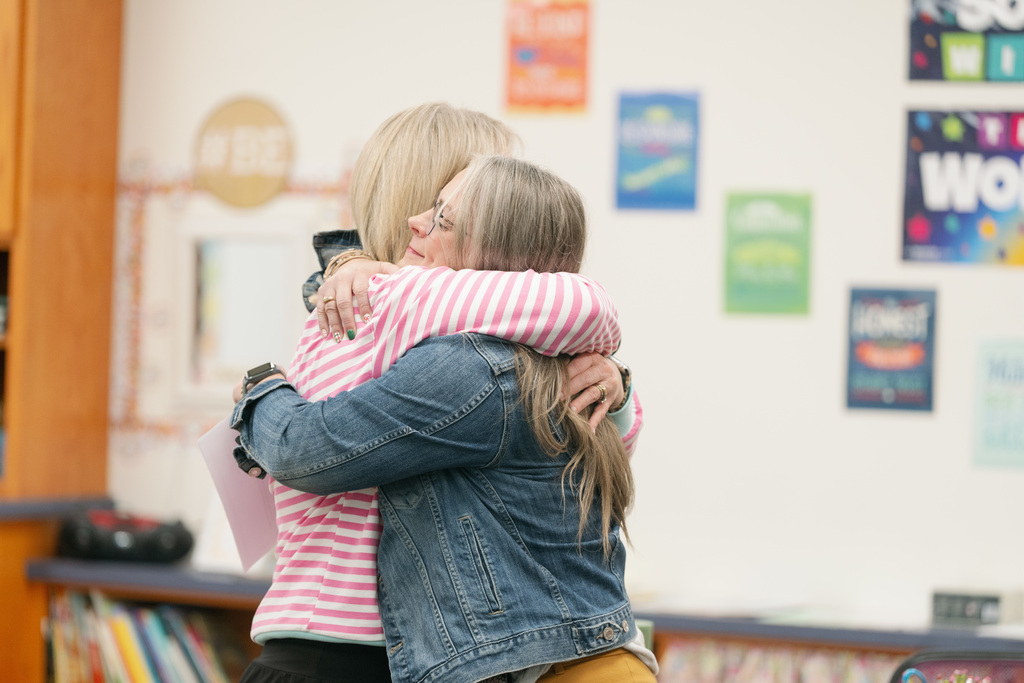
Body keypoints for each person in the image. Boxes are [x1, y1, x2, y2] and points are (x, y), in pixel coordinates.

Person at [231, 104, 643, 682]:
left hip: (357, 644)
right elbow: (586, 304)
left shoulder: (395, 310)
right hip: (347, 649)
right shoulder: (392, 315)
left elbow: (574, 457)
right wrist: (262, 396)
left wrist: (617, 387)